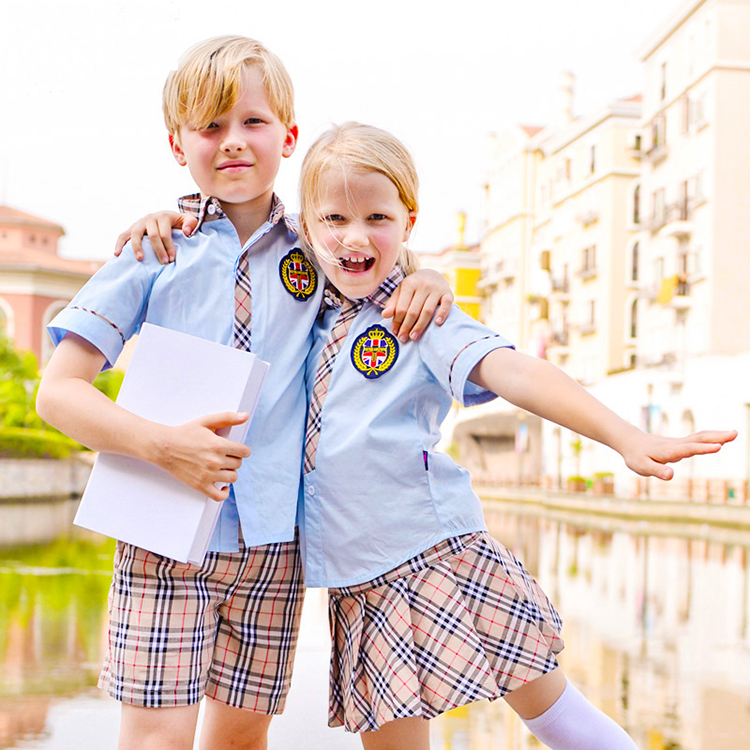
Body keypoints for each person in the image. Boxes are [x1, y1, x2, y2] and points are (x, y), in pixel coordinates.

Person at [36, 40, 452, 750]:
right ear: (178, 146)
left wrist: (431, 274)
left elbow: (378, 251)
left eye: (253, 123)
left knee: (239, 742)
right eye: (209, 127)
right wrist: (161, 446)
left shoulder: (316, 251)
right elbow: (58, 395)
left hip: (274, 543)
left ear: (288, 136)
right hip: (162, 536)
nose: (232, 142)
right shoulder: (153, 252)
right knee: (157, 742)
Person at [293, 122, 737, 750]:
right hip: (358, 578)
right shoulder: (303, 312)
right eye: (334, 218)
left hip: (435, 550)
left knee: (551, 711)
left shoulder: (420, 315)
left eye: (377, 217)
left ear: (409, 221)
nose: (356, 236)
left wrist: (623, 435)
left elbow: (517, 370)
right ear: (308, 227)